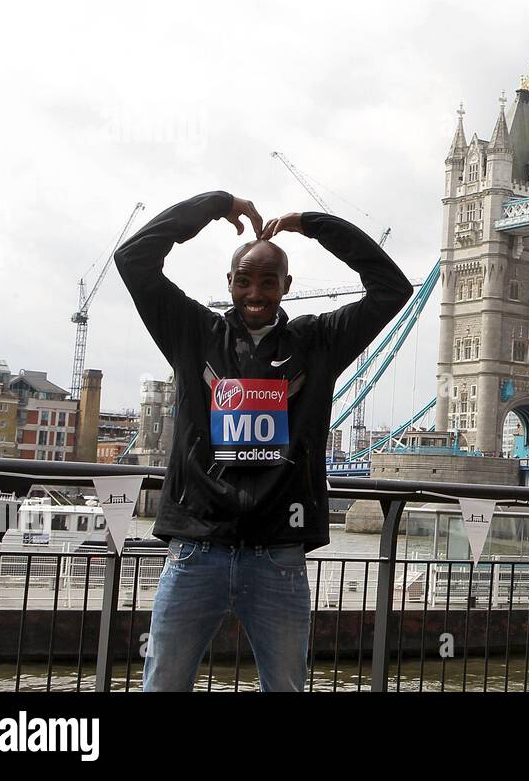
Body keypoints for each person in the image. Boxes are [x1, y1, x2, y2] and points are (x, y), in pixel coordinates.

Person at [114, 192, 412, 691]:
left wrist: (313, 225)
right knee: (162, 683)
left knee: (286, 687)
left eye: (268, 281)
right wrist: (216, 205)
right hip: (195, 551)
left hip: (278, 555)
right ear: (229, 283)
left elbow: (390, 289)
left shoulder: (318, 342)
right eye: (245, 280)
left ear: (287, 286)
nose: (256, 292)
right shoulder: (192, 331)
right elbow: (134, 258)